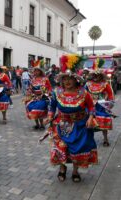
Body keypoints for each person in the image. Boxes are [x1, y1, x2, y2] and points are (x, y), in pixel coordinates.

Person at [44, 54, 98, 183]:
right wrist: (50, 117)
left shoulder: (84, 93)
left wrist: (91, 117)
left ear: (76, 80)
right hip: (61, 125)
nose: (67, 82)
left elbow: (91, 107)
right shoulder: (56, 92)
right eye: (64, 79)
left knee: (77, 149)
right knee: (62, 148)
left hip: (80, 126)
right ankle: (62, 169)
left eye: (70, 79)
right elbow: (52, 107)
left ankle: (75, 171)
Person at [85, 61, 114, 147]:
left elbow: (110, 94)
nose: (96, 77)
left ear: (101, 76)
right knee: (88, 122)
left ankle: (105, 138)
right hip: (90, 106)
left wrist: (110, 103)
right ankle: (89, 140)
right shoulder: (88, 84)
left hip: (101, 106)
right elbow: (82, 93)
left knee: (104, 120)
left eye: (98, 75)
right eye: (95, 75)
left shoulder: (105, 84)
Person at [24, 62, 51, 130]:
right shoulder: (33, 79)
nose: (35, 72)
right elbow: (30, 88)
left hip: (43, 97)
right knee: (31, 108)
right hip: (34, 97)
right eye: (34, 70)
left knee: (40, 108)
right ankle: (37, 124)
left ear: (40, 71)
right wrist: (29, 93)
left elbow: (49, 88)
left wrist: (44, 94)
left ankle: (42, 124)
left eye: (37, 70)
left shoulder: (45, 79)